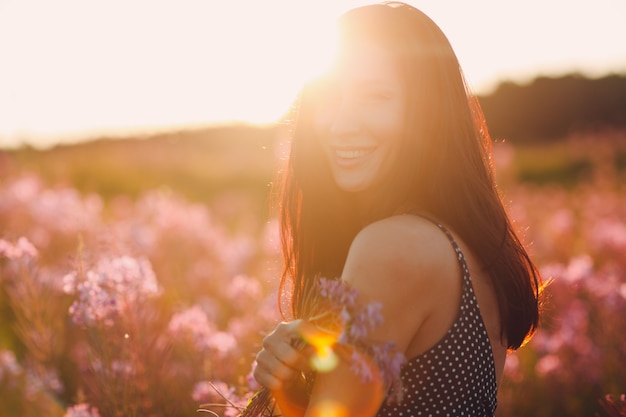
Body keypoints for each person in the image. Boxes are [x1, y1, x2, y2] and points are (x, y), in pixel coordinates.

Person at [253, 2, 543, 416]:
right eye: (329, 96)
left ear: (427, 113)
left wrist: (282, 395)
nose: (341, 124)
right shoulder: (465, 246)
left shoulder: (394, 246)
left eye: (376, 97)